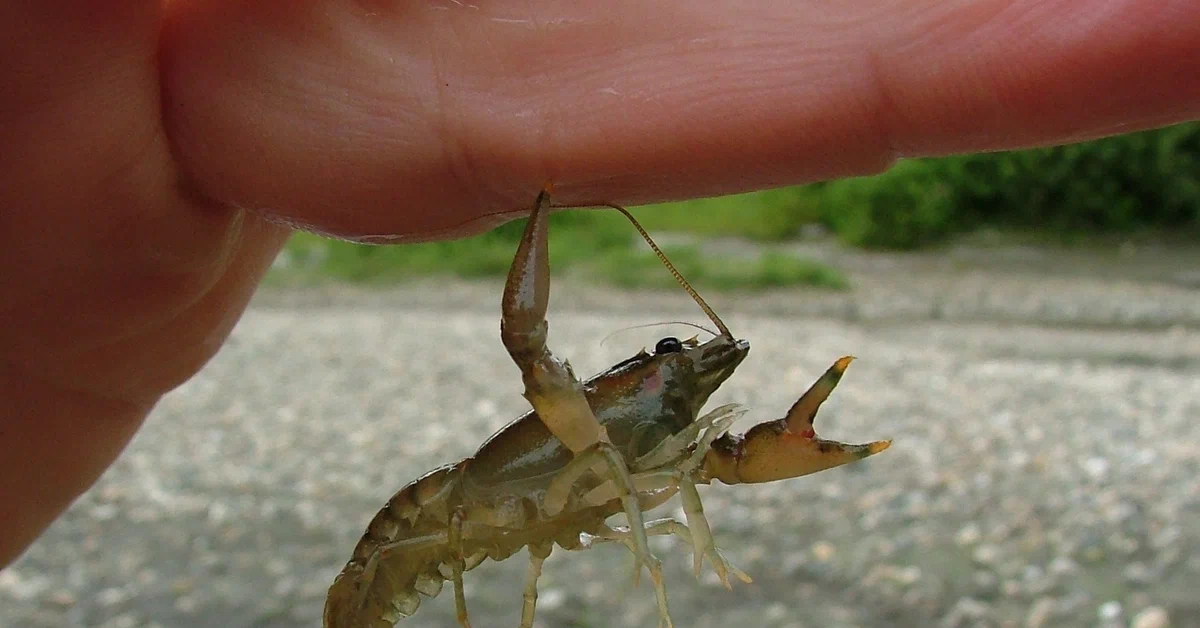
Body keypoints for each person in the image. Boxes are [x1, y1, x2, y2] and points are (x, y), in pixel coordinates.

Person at [2, 1, 1198, 568]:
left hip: (553, 492)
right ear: (622, 383)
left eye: (670, 370)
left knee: (665, 472)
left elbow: (695, 467)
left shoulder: (650, 432)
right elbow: (537, 358)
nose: (676, 373)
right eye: (664, 365)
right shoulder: (584, 426)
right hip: (442, 520)